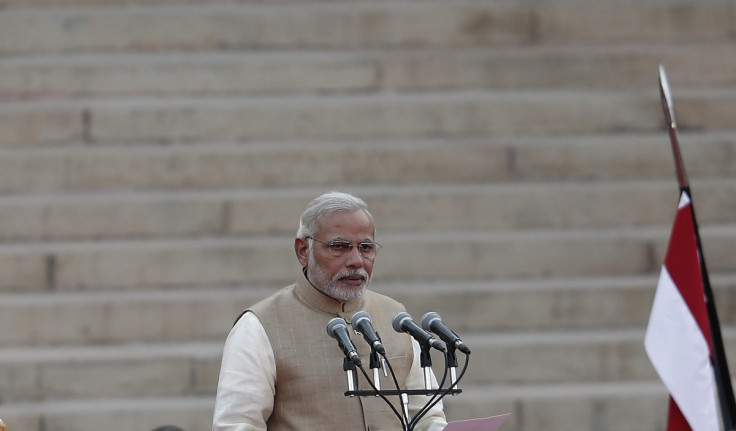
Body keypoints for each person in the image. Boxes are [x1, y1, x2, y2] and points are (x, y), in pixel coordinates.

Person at [213, 191, 447, 431]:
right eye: (339, 247)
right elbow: (236, 425)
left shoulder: (396, 318)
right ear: (303, 251)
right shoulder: (260, 326)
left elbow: (428, 417)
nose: (356, 260)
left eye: (365, 247)